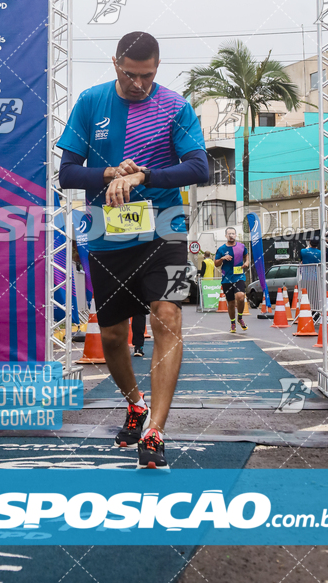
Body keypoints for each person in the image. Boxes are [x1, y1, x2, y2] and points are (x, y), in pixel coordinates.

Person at [58, 31, 208, 469]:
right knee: (111, 336)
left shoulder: (175, 106)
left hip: (169, 229)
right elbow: (67, 174)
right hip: (107, 232)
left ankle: (156, 431)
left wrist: (144, 176)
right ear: (115, 63)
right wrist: (108, 173)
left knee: (170, 315)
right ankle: (135, 402)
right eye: (131, 74)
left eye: (149, 75)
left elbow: (199, 166)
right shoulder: (90, 102)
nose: (140, 84)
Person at [215, 227, 249, 333]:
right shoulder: (221, 249)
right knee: (230, 302)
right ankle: (233, 322)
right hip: (227, 278)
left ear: (235, 235)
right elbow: (216, 263)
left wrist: (247, 262)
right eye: (229, 234)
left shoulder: (241, 246)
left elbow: (246, 256)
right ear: (226, 236)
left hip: (239, 276)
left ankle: (240, 317)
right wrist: (222, 259)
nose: (231, 235)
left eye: (233, 233)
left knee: (240, 296)